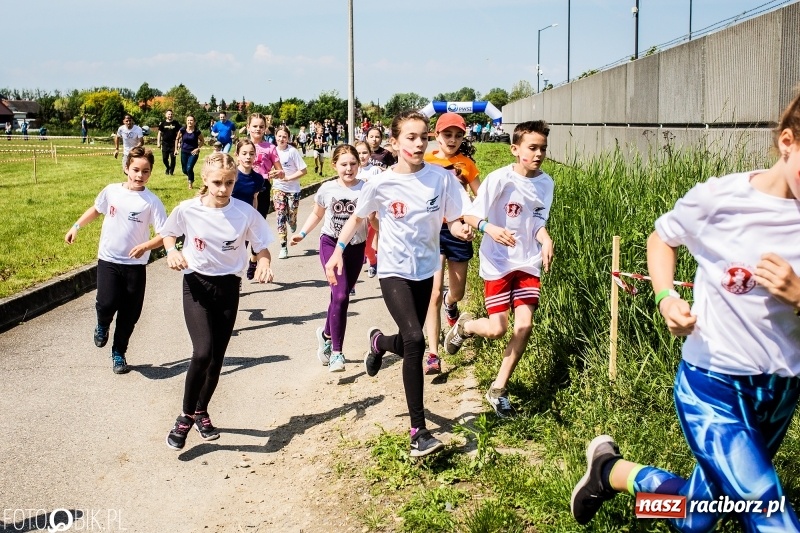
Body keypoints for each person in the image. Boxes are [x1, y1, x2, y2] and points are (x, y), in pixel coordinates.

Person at [571, 90, 800, 531]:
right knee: (766, 508)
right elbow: (662, 238)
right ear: (787, 141)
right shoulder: (720, 200)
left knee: (698, 516)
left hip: (780, 389)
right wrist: (664, 298)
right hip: (712, 384)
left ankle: (611, 472)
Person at [324, 111, 472, 457]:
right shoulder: (381, 183)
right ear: (395, 143)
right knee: (416, 339)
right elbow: (357, 219)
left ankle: (378, 342)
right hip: (393, 270)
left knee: (409, 342)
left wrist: (460, 228)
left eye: (423, 137)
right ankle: (418, 431)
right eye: (410, 137)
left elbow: (453, 218)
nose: (419, 143)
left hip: (425, 268)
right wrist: (337, 253)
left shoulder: (442, 179)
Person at [161, 152, 275, 451]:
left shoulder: (245, 213)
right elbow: (169, 234)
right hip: (196, 284)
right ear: (204, 180)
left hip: (228, 287)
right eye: (217, 183)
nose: (223, 189)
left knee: (216, 361)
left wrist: (263, 262)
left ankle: (202, 410)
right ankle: (184, 417)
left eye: (229, 182)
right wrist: (172, 252)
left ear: (235, 181)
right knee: (202, 352)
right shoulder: (187, 210)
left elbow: (262, 247)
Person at [444, 120, 554, 418]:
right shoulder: (498, 179)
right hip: (498, 263)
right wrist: (490, 228)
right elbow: (470, 215)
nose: (538, 154)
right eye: (532, 148)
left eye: (542, 148)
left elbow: (538, 223)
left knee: (525, 326)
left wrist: (545, 239)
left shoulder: (546, 184)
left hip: (528, 262)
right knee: (497, 329)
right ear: (515, 149)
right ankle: (465, 327)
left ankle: (498, 389)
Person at [64, 146, 167, 374]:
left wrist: (146, 246)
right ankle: (102, 323)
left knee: (130, 314)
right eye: (136, 169)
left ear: (151, 173)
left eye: (146, 171)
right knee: (107, 302)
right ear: (126, 168)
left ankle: (119, 353)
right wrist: (76, 227)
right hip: (109, 260)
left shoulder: (151, 201)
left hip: (135, 266)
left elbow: (164, 234)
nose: (140, 175)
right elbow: (96, 209)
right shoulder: (111, 191)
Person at [291, 145, 371, 372]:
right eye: (343, 164)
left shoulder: (366, 189)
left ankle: (326, 333)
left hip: (356, 248)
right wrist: (302, 233)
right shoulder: (327, 188)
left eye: (353, 164)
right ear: (334, 165)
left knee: (339, 296)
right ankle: (336, 352)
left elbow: (373, 219)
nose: (349, 169)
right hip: (330, 244)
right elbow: (317, 213)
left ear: (359, 164)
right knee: (341, 295)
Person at [423, 113, 481, 375]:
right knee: (432, 293)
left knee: (455, 292)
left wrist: (476, 222)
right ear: (437, 135)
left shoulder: (466, 164)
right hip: (433, 232)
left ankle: (451, 304)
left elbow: (482, 198)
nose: (453, 140)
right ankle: (433, 353)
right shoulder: (425, 161)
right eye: (448, 134)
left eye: (458, 135)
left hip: (458, 232)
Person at [231, 138, 266, 281]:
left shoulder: (258, 179)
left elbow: (254, 198)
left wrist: (254, 219)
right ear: (237, 155)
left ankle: (236, 279)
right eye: (244, 153)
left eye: (251, 154)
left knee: (240, 252)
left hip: (244, 222)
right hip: (228, 219)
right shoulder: (231, 175)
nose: (248, 157)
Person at [274, 126, 307, 259]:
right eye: (279, 136)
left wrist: (288, 178)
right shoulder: (273, 151)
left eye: (284, 137)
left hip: (293, 189)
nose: (281, 139)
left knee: (291, 216)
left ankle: (292, 222)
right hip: (278, 188)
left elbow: (304, 171)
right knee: (280, 216)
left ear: (288, 138)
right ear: (275, 137)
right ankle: (283, 247)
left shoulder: (292, 151)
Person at [247, 113, 285, 227]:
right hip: (245, 185)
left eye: (261, 126)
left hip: (263, 186)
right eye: (254, 126)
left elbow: (281, 173)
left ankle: (257, 245)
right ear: (248, 127)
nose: (258, 129)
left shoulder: (270, 147)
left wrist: (278, 173)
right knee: (244, 223)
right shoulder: (242, 145)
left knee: (258, 223)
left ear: (265, 128)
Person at [355, 140, 382, 279]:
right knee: (353, 248)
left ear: (370, 154)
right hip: (354, 216)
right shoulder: (353, 170)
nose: (361, 156)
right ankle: (351, 282)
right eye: (358, 153)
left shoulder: (374, 170)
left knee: (366, 247)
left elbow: (379, 192)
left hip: (371, 215)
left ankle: (373, 262)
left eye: (364, 152)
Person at [175, 114, 205, 190]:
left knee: (189, 168)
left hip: (193, 152)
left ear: (194, 122)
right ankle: (191, 177)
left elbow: (202, 141)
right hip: (184, 151)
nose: (190, 122)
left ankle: (190, 183)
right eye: (188, 120)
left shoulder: (197, 131)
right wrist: (176, 149)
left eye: (191, 120)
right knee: (184, 170)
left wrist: (198, 148)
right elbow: (177, 139)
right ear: (186, 121)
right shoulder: (182, 130)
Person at [156, 110, 181, 175]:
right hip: (165, 144)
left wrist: (179, 142)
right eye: (169, 114)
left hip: (173, 144)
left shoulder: (176, 123)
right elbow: (159, 133)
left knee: (173, 158)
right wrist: (158, 142)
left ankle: (171, 172)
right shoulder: (163, 123)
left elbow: (179, 133)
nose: (170, 115)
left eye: (171, 114)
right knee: (164, 158)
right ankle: (168, 167)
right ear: (166, 115)